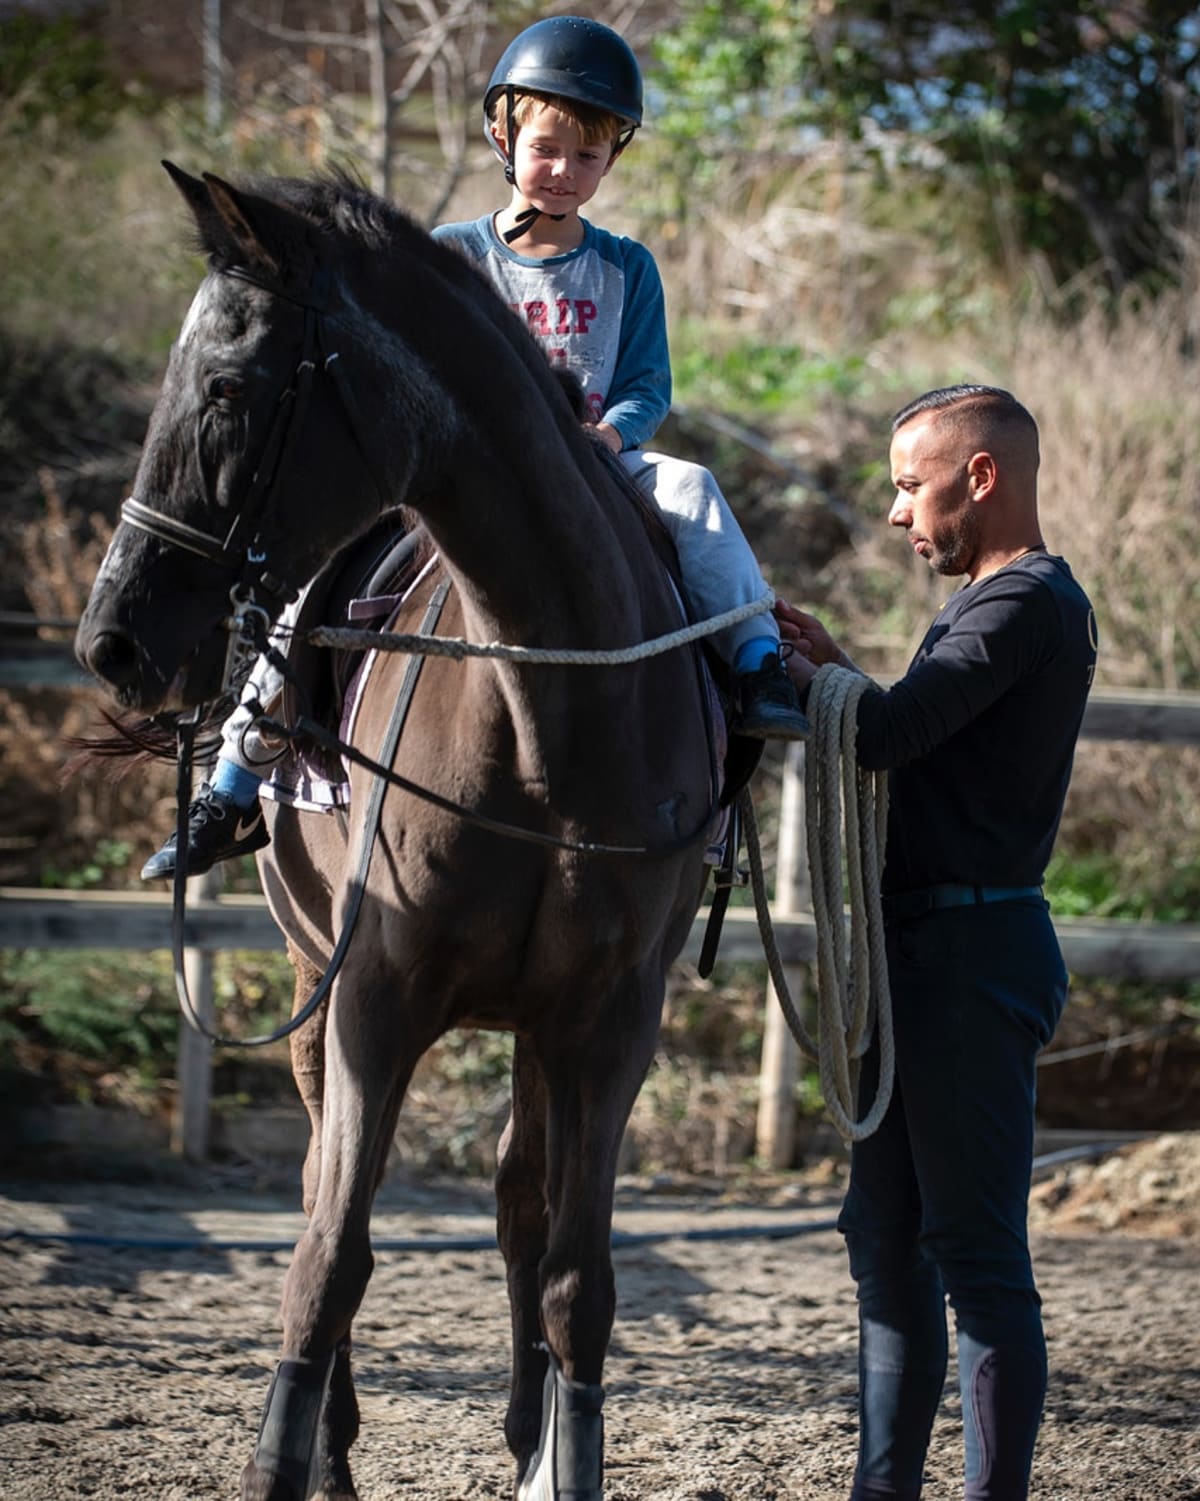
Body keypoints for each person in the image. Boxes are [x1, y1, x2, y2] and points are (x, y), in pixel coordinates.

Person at [140, 14, 808, 882]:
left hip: (594, 465)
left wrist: (610, 432)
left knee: (693, 490)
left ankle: (751, 676)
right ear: (503, 135)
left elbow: (649, 384)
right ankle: (235, 780)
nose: (565, 173)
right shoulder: (451, 257)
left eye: (589, 157)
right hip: (456, 476)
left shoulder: (627, 268)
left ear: (612, 161)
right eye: (547, 149)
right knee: (323, 568)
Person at [776, 384, 1097, 1500]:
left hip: (966, 959)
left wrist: (819, 682)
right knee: (887, 1234)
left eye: (914, 485)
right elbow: (915, 733)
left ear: (983, 475)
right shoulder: (989, 608)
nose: (903, 513)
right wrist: (841, 672)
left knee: (974, 1254)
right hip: (928, 956)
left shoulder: (1025, 603)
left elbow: (891, 732)